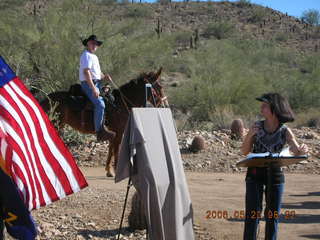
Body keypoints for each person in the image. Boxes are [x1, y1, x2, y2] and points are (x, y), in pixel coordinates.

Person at [241, 93, 308, 240]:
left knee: (272, 216)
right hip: (254, 173)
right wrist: (249, 135)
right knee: (252, 214)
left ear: (274, 109)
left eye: (265, 106)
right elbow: (245, 151)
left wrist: (301, 150)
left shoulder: (285, 130)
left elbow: (296, 150)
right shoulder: (257, 126)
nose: (261, 108)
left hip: (276, 174)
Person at [79, 34, 115, 142]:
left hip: (97, 83)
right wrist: (93, 88)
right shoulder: (86, 55)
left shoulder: (94, 56)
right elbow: (86, 72)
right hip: (88, 84)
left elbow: (97, 73)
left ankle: (105, 125)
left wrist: (104, 76)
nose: (94, 45)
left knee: (110, 98)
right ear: (88, 43)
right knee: (100, 104)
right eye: (92, 43)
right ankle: (99, 132)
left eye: (96, 44)